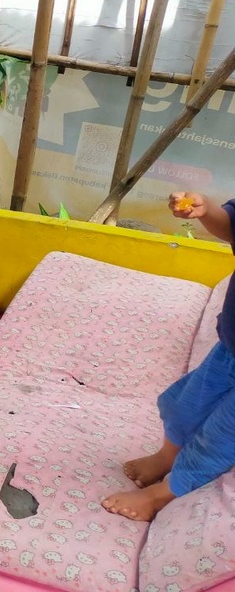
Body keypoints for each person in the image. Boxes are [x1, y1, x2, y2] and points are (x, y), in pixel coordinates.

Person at [101, 191, 235, 521]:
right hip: (229, 347)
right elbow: (231, 223)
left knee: (220, 435)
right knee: (184, 406)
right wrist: (206, 210)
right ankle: (166, 456)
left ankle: (164, 493)